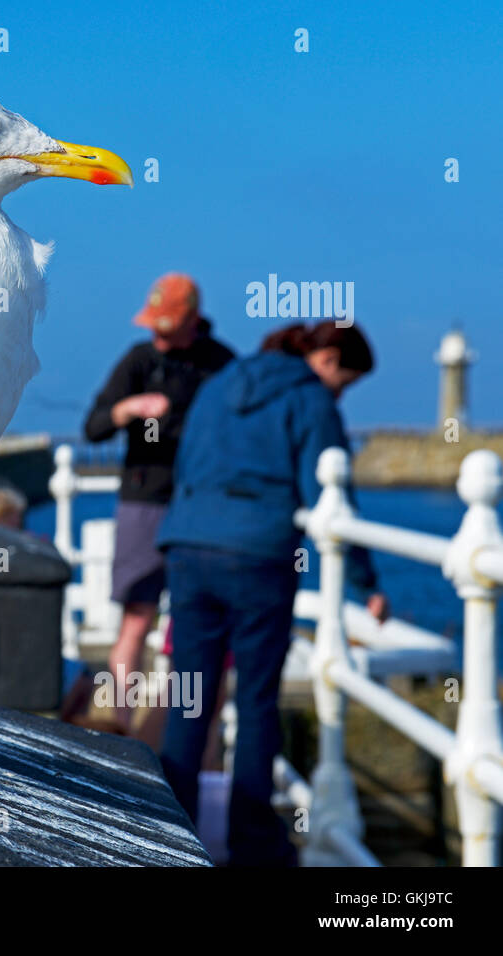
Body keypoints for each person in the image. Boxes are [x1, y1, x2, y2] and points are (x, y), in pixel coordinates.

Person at [156, 320, 389, 867]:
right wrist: (368, 585)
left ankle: (171, 836)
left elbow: (186, 463)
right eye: (345, 383)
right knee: (257, 700)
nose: (340, 395)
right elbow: (328, 492)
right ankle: (254, 842)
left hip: (188, 545)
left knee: (190, 694)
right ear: (327, 359)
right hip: (257, 555)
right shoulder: (310, 400)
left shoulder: (221, 381)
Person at [83, 274, 235, 724]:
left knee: (194, 622)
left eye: (166, 326)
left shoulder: (222, 364)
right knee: (136, 617)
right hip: (144, 499)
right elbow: (94, 426)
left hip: (201, 504)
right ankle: (120, 727)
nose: (158, 335)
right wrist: (129, 409)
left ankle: (179, 734)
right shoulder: (138, 360)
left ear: (192, 320)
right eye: (154, 325)